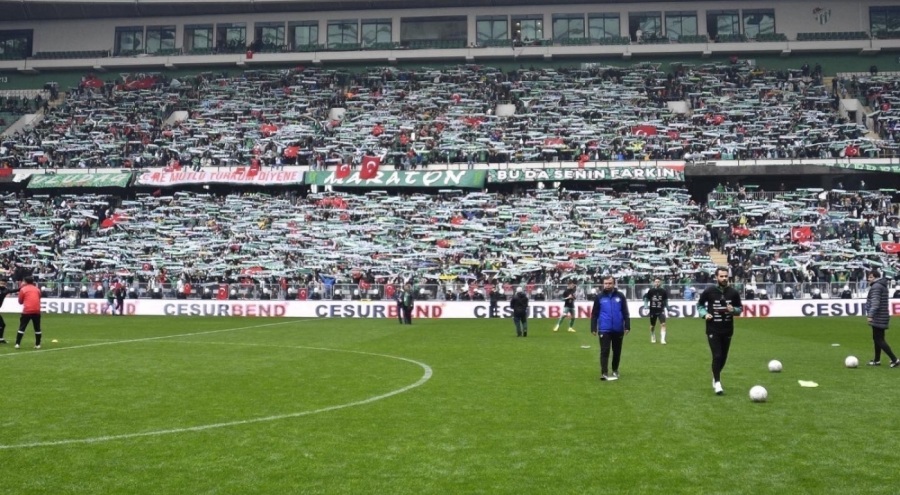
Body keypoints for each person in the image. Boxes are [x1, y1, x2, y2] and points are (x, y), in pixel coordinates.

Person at [697, 267, 743, 395]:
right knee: (716, 355)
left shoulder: (733, 292)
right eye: (721, 276)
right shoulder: (709, 291)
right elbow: (700, 305)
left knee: (723, 357)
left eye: (726, 276)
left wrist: (733, 310)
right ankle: (717, 383)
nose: (724, 279)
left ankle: (715, 375)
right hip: (713, 328)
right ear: (716, 277)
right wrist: (704, 314)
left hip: (727, 329)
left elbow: (740, 309)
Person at [590, 276, 630, 381]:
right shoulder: (599, 297)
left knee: (617, 351)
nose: (607, 285)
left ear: (614, 284)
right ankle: (604, 372)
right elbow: (594, 314)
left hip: (618, 328)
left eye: (610, 283)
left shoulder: (620, 296)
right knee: (604, 351)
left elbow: (625, 312)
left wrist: (627, 326)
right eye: (606, 283)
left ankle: (615, 370)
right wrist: (593, 327)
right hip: (604, 329)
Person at [865, 269, 900, 367]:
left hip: (878, 315)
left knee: (879, 339)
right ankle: (877, 360)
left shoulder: (876, 287)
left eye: (870, 277)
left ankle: (894, 359)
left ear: (876, 277)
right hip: (883, 315)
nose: (868, 279)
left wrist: (870, 314)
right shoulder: (882, 286)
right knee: (877, 338)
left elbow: (875, 303)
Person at [15, 276, 42, 349]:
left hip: (27, 310)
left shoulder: (23, 289)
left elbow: (20, 301)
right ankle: (38, 344)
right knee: (37, 328)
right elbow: (39, 298)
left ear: (25, 282)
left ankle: (17, 344)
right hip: (37, 310)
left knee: (22, 327)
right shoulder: (37, 289)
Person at [643, 278, 669, 344]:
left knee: (663, 324)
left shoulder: (663, 291)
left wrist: (668, 307)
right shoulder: (651, 291)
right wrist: (646, 306)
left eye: (658, 282)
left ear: (660, 283)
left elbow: (665, 300)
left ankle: (662, 339)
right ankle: (653, 335)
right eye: (656, 282)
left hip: (661, 310)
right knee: (652, 326)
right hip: (653, 310)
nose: (657, 283)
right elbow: (646, 299)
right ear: (654, 283)